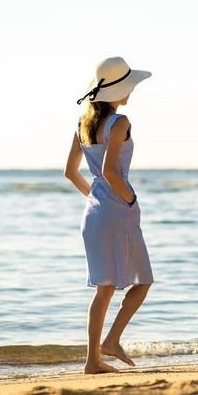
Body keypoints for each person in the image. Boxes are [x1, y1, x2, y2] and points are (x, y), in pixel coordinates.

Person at [64, 56, 155, 374]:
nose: (130, 92)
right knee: (142, 281)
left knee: (104, 288)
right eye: (128, 86)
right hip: (118, 211)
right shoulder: (121, 122)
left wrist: (96, 198)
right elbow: (109, 171)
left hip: (93, 214)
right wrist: (130, 201)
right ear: (117, 91)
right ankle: (112, 340)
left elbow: (70, 172)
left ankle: (93, 360)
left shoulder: (81, 124)